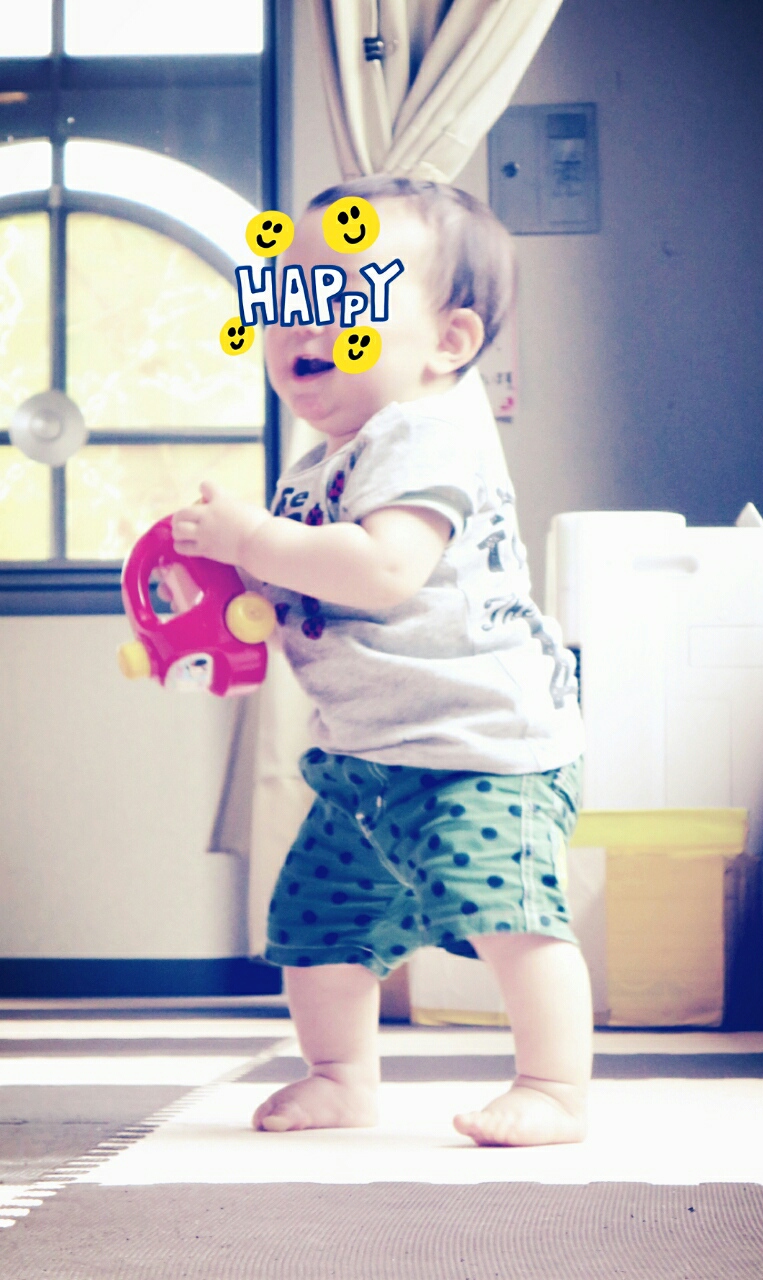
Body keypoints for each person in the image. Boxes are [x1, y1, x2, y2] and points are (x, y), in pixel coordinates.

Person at [171, 176, 592, 1147]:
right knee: (318, 924)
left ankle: (554, 1085)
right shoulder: (321, 464)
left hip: (483, 749)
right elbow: (315, 584)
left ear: (449, 340)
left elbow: (386, 569)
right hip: (368, 757)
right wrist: (234, 594)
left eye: (342, 297)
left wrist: (255, 538)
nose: (302, 323)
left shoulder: (425, 432)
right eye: (287, 298)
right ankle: (341, 1075)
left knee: (510, 913)